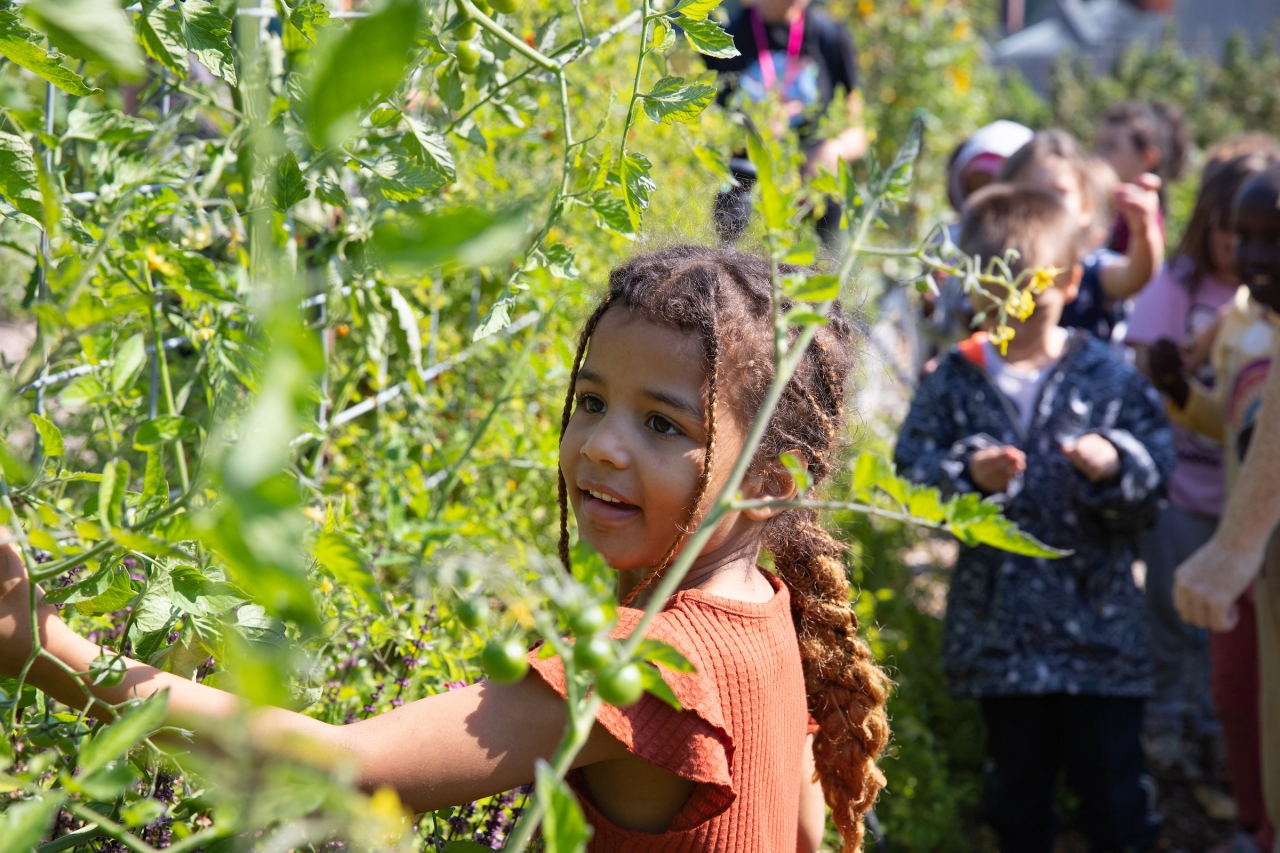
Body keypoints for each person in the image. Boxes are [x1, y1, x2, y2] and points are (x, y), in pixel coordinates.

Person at [0, 247, 890, 852]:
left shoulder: (646, 665)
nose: (602, 446)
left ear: (774, 481)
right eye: (589, 401)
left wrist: (44, 645)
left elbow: (347, 772)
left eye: (662, 422)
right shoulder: (771, 610)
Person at [895, 184, 1174, 853]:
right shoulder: (953, 378)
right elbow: (909, 471)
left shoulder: (1106, 374)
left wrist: (1116, 462)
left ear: (1072, 282)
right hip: (1004, 640)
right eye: (998, 303)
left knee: (1114, 793)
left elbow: (1158, 464)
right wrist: (966, 476)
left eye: (1036, 300)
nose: (1016, 318)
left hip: (1099, 637)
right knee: (1017, 799)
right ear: (972, 291)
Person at [1136, 150, 1280, 853]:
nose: (1255, 255)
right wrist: (1182, 391)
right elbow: (1232, 421)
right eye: (1244, 236)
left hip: (1252, 545)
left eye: (1272, 238)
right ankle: (1258, 820)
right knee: (1243, 693)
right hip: (1246, 555)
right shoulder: (1240, 325)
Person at [703, 0, 865, 244]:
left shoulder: (830, 37)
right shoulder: (723, 37)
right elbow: (700, 123)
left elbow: (859, 131)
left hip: (813, 209)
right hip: (745, 204)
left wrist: (834, 149)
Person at [1000, 130, 1165, 343]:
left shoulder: (1091, 266)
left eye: (1058, 192)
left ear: (1086, 206)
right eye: (1031, 193)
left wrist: (1144, 233)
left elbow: (1133, 277)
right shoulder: (994, 265)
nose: (1046, 204)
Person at [919, 120, 1037, 368]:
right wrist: (930, 303)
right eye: (978, 189)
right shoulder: (947, 239)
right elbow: (937, 331)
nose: (986, 200)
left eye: (997, 189)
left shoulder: (1032, 250)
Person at [1094, 101, 1190, 253]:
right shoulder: (1101, 203)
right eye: (1099, 145)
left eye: (1112, 147)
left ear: (1148, 157)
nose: (1099, 155)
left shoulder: (1141, 219)